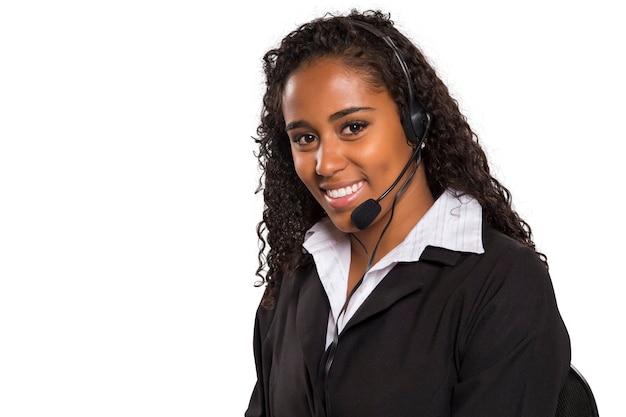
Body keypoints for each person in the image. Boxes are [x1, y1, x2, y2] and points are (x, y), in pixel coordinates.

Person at [245, 9, 570, 417]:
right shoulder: (294, 279)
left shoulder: (501, 283)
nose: (325, 164)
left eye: (353, 127)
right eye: (305, 138)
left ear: (414, 123)